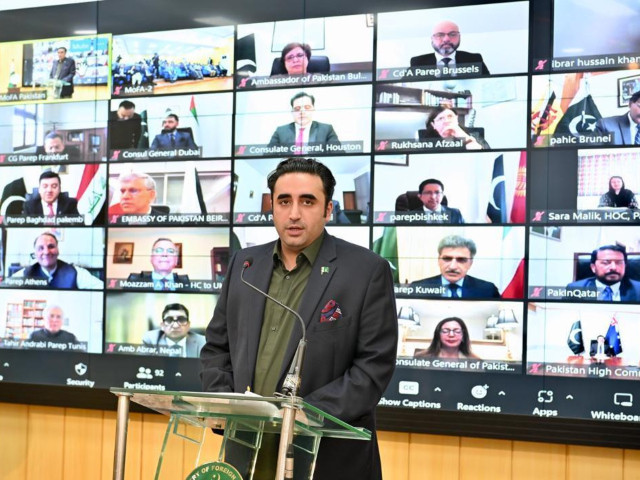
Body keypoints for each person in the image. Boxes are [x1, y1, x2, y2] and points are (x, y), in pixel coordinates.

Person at [200, 157, 397, 479]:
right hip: (248, 449)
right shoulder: (245, 265)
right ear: (273, 207)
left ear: (328, 210)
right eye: (284, 201)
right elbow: (217, 348)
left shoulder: (365, 270)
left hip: (325, 454)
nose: (294, 213)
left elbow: (374, 365)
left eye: (307, 202)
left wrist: (304, 415)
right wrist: (224, 402)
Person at [411, 235, 501, 298]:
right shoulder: (417, 287)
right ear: (439, 260)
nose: (453, 267)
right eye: (447, 259)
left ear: (470, 263)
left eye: (461, 260)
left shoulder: (488, 290)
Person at [11, 232, 103, 289]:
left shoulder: (75, 272)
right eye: (40, 248)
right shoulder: (25, 273)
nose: (46, 252)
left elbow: (100, 287)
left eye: (51, 246)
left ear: (58, 250)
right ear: (35, 253)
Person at [410, 20, 490, 75]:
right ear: (432, 39)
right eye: (440, 35)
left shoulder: (474, 59)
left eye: (452, 34)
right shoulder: (417, 63)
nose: (446, 39)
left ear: (459, 37)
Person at [268, 92, 340, 150]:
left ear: (313, 109)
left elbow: (339, 155)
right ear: (292, 111)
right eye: (297, 108)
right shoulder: (280, 131)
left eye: (307, 107)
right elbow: (268, 156)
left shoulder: (326, 130)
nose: (302, 111)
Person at [566, 245, 640, 301]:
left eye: (619, 262)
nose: (613, 267)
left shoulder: (638, 289)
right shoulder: (574, 289)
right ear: (593, 267)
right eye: (606, 263)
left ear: (625, 266)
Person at [423, 106, 489, 150]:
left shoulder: (475, 135)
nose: (446, 121)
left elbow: (487, 158)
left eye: (450, 116)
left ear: (456, 119)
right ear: (433, 124)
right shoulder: (427, 143)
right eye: (440, 118)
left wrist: (464, 137)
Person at [414, 317, 478, 359]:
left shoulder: (476, 361)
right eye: (445, 331)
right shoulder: (420, 357)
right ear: (438, 335)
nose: (451, 335)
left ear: (463, 335)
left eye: (457, 331)